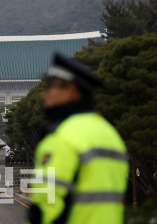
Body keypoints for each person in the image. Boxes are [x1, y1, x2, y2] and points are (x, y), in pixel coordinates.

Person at [28, 53, 128, 224]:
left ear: (71, 90)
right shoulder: (111, 134)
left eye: (51, 87)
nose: (45, 95)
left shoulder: (63, 135)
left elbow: (47, 204)